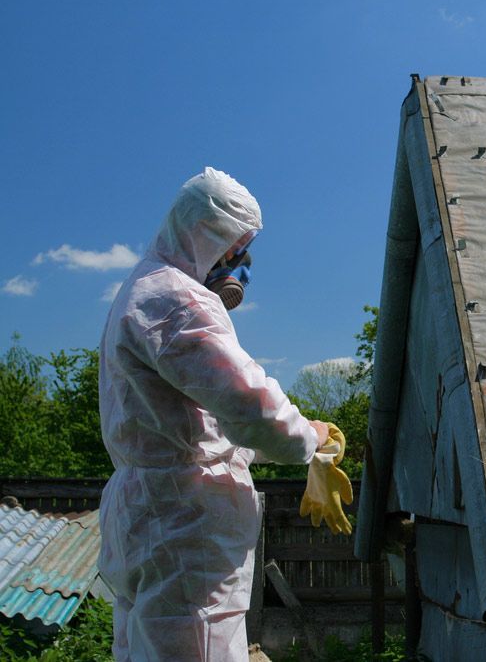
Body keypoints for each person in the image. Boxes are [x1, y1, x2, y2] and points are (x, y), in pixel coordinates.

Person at [98, 167, 329, 661]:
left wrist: (263, 448)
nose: (240, 264)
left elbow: (190, 428)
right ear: (210, 236)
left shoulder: (140, 289)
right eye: (237, 248)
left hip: (150, 515)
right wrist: (308, 437)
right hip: (185, 526)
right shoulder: (178, 299)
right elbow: (252, 406)